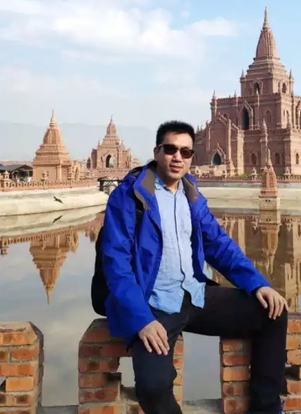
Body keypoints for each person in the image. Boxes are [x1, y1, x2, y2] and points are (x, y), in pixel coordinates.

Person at [101, 120, 288, 414]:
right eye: (171, 149)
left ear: (192, 157)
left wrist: (257, 283)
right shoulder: (130, 196)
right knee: (152, 387)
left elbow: (218, 244)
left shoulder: (191, 193)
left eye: (186, 152)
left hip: (194, 294)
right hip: (154, 304)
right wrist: (141, 319)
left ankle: (266, 409)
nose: (178, 157)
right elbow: (116, 264)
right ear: (157, 151)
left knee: (272, 312)